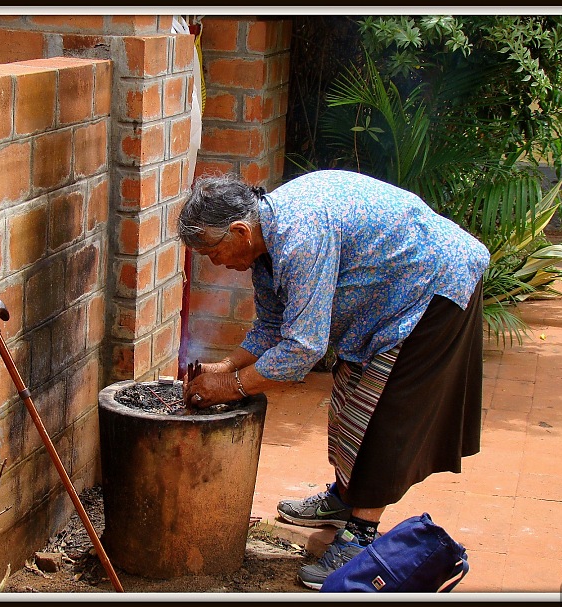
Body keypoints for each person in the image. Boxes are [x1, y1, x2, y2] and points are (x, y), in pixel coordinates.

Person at [178, 170, 490, 590]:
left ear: (238, 229)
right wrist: (223, 367)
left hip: (434, 288)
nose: (216, 263)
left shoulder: (300, 236)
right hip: (386, 299)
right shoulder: (264, 244)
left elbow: (302, 349)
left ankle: (361, 535)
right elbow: (272, 328)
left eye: (213, 253)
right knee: (349, 398)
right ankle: (343, 500)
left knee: (384, 415)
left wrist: (232, 388)